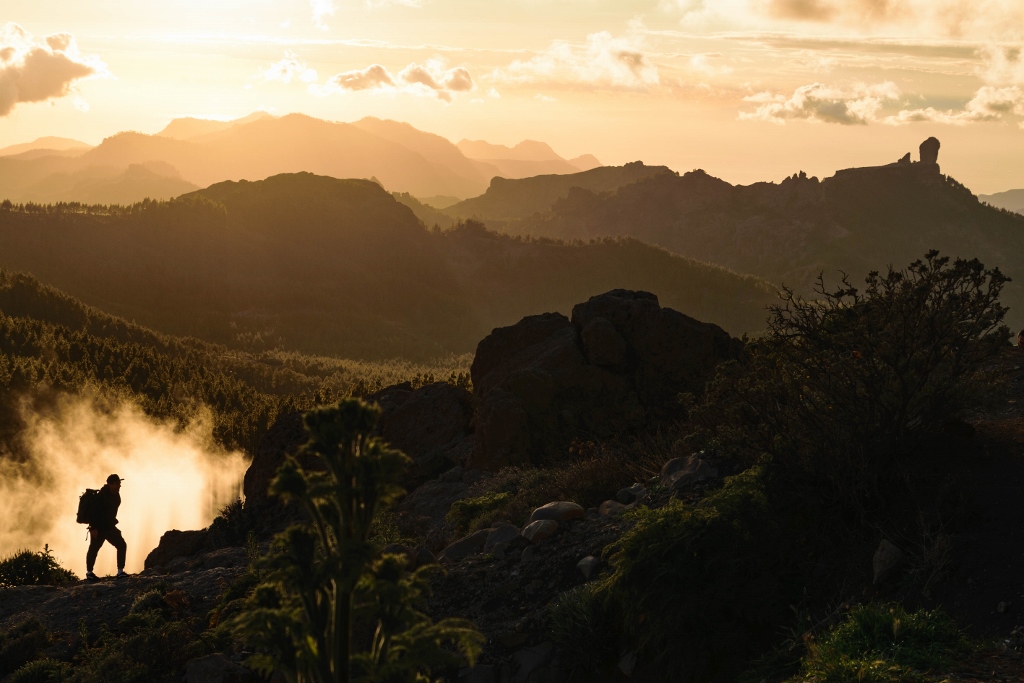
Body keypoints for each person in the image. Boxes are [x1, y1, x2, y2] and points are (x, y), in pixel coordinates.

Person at [85, 474, 128, 580]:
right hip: (99, 529)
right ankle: (89, 573)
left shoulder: (116, 495)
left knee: (121, 545)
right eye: (117, 484)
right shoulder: (101, 496)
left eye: (119, 484)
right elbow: (93, 513)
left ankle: (120, 572)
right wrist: (93, 528)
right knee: (94, 549)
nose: (119, 486)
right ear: (109, 484)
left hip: (109, 527)